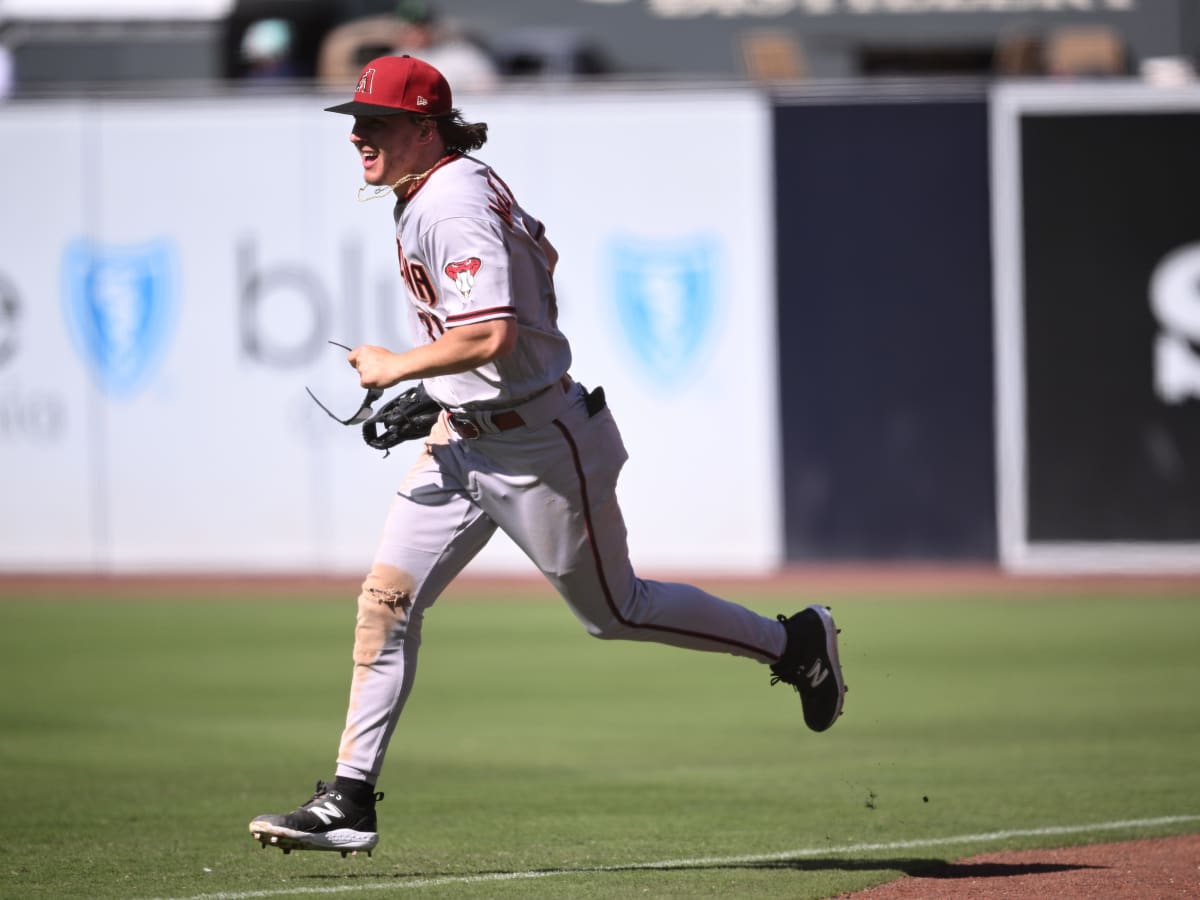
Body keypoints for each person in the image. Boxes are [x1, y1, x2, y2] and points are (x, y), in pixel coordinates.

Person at [248, 54, 846, 857]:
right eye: (357, 120)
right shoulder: (448, 185)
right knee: (384, 603)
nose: (359, 134)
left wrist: (402, 364)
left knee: (616, 611)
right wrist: (458, 387)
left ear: (424, 128)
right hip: (467, 437)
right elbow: (538, 273)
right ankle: (349, 798)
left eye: (378, 121)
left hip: (537, 446)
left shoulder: (450, 200)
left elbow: (492, 331)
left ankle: (794, 642)